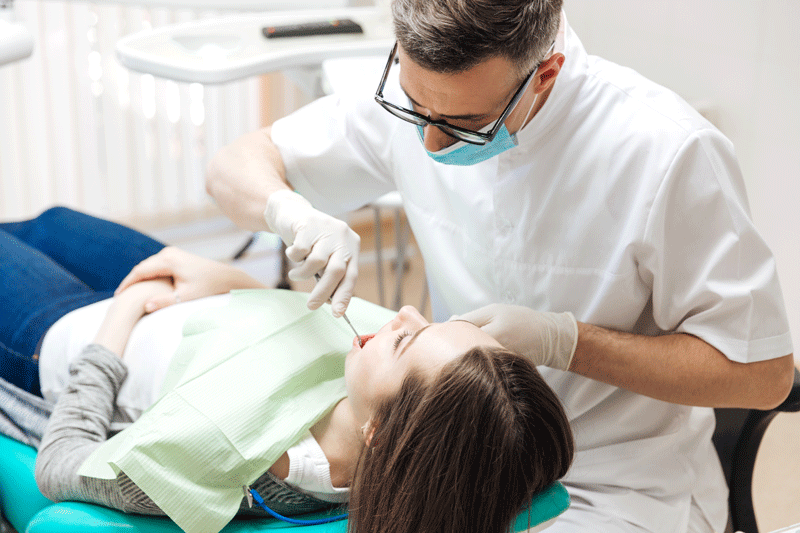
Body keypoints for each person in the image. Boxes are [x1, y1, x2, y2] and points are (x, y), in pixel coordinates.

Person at [200, 1, 796, 531]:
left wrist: (564, 342)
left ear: (545, 75)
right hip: (456, 468)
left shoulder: (666, 152)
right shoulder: (427, 94)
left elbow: (762, 376)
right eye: (415, 108)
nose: (429, 143)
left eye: (463, 124)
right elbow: (233, 167)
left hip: (616, 489)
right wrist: (290, 213)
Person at [0, 206, 574, 533]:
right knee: (52, 223)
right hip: (199, 294)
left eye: (407, 342)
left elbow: (58, 466)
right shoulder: (396, 432)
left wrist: (122, 316)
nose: (401, 313)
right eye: (426, 322)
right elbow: (286, 345)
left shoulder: (233, 462)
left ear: (382, 432)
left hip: (73, 330)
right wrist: (234, 282)